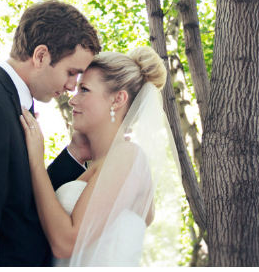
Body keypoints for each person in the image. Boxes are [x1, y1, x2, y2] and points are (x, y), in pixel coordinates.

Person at [0, 0, 102, 267]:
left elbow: (19, 209)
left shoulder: (8, 104)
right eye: (71, 73)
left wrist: (76, 153)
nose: (72, 87)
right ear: (40, 55)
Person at [19, 46, 186, 266]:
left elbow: (66, 243)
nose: (72, 100)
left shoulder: (129, 156)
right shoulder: (102, 164)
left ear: (117, 99)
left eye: (84, 90)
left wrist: (35, 162)